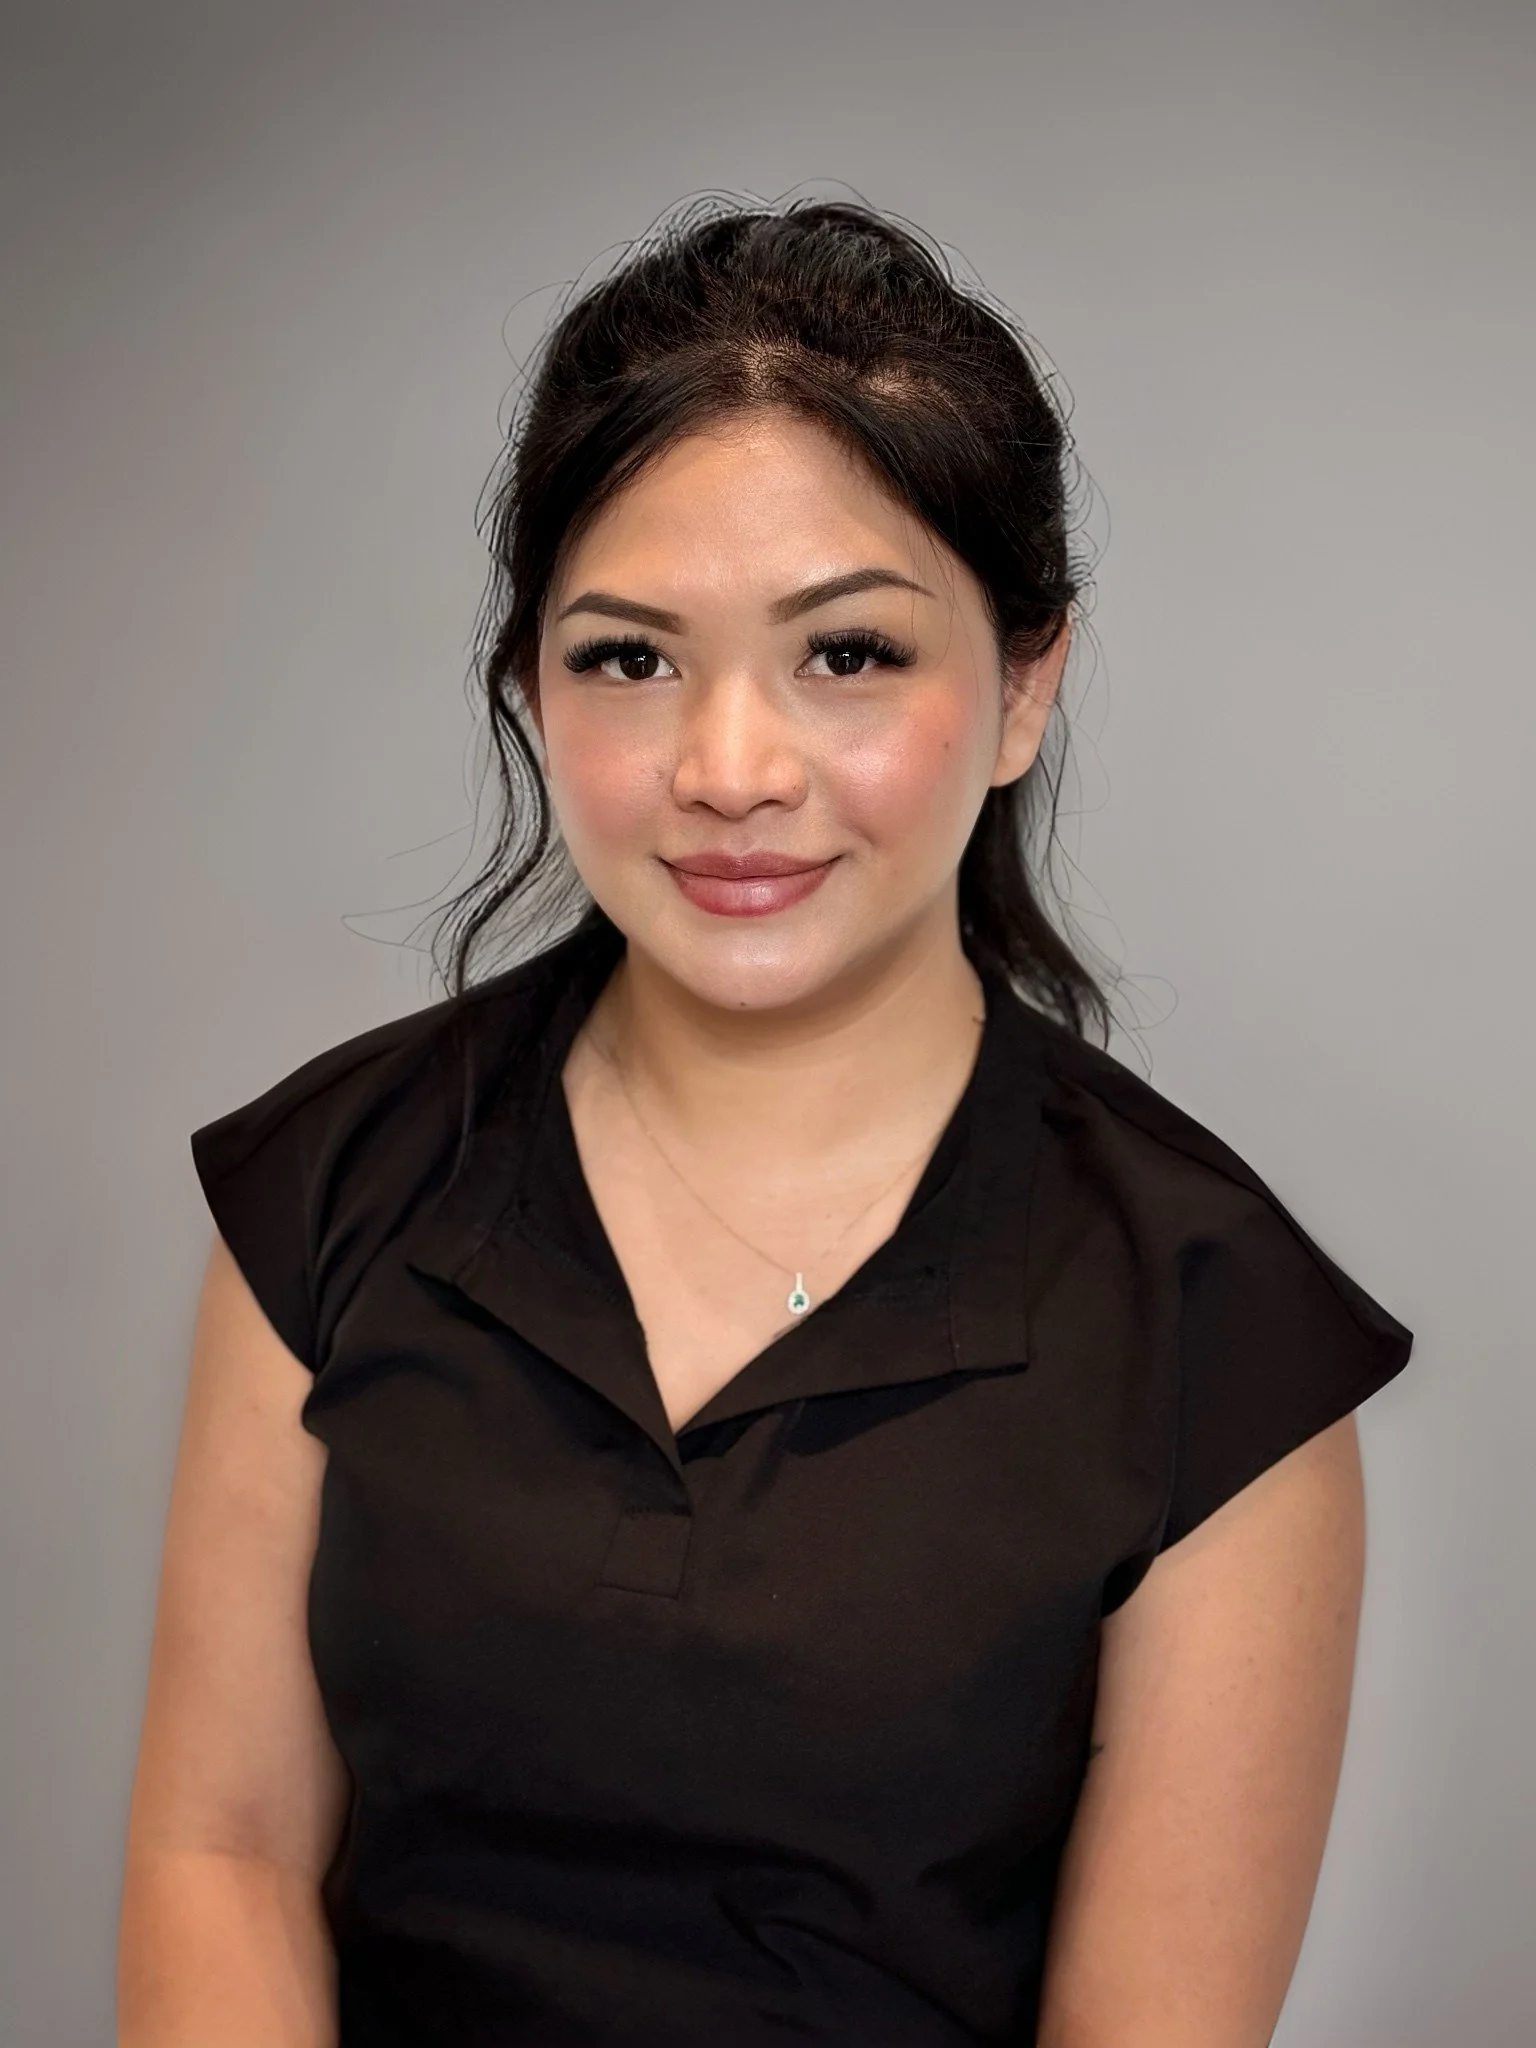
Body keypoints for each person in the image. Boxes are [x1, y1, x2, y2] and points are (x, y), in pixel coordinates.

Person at [118, 199, 1414, 2048]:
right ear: (529, 688)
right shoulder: (326, 1187)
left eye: (850, 655)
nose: (731, 769)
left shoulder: (1219, 1336)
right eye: (629, 658)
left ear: (1026, 682)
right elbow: (221, 1854)